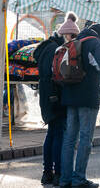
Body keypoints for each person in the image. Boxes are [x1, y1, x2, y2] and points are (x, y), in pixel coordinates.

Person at [59, 23, 100, 188]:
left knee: (69, 139)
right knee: (85, 139)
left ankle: (65, 179)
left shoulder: (73, 42)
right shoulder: (96, 43)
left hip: (70, 96)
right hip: (87, 98)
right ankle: (79, 178)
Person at [34, 17, 71, 186]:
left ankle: (46, 173)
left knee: (51, 134)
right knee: (59, 135)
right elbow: (61, 76)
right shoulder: (58, 50)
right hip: (57, 97)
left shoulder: (44, 49)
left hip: (45, 97)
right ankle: (57, 173)